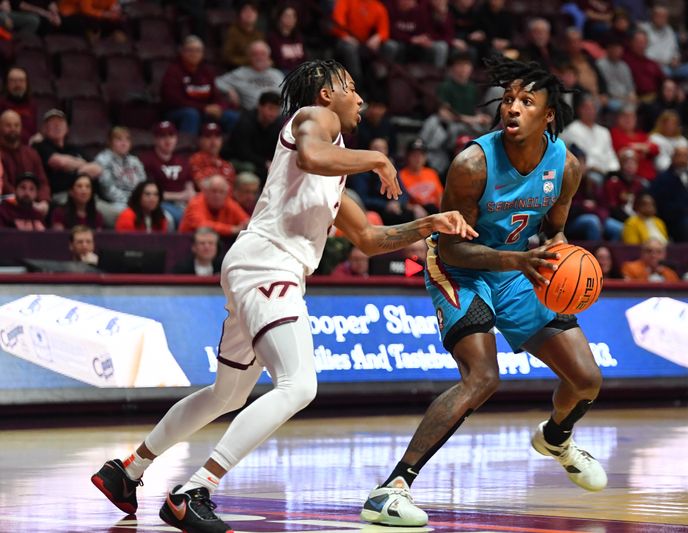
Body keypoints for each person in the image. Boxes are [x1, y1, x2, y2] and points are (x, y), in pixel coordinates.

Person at [91, 59, 475, 533]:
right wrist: (377, 157)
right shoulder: (315, 120)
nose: (359, 99)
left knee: (225, 394)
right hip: (269, 266)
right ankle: (196, 490)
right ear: (327, 94)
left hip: (255, 266)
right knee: (299, 385)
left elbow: (371, 240)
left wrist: (429, 224)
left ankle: (127, 471)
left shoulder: (330, 174)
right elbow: (315, 154)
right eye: (351, 89)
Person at [360, 57, 606, 527]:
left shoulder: (565, 167)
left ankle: (556, 437)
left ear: (548, 114)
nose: (513, 108)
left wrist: (560, 260)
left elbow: (555, 233)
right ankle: (390, 489)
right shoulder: (472, 164)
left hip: (517, 269)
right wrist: (519, 260)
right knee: (483, 377)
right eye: (509, 99)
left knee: (587, 380)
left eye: (526, 101)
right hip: (461, 268)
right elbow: (453, 249)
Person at [32, 108, 102, 203]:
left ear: (67, 128)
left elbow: (97, 169)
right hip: (61, 196)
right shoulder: (41, 146)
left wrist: (75, 170)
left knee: (120, 214)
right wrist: (83, 167)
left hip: (88, 197)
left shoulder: (73, 148)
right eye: (52, 123)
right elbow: (59, 162)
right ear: (44, 128)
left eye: (60, 122)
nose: (57, 126)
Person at [139, 121, 194, 226]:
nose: (168, 140)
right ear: (155, 139)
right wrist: (181, 196)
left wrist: (188, 197)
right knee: (178, 218)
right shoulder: (147, 160)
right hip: (159, 204)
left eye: (171, 135)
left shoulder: (183, 161)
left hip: (183, 204)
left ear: (176, 138)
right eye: (163, 136)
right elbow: (150, 193)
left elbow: (190, 189)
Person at [95, 126, 147, 226]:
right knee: (130, 217)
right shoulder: (102, 160)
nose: (124, 143)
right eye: (119, 139)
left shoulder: (135, 161)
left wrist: (140, 200)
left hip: (137, 202)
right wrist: (132, 202)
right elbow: (107, 190)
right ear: (110, 142)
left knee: (165, 218)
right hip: (115, 203)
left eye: (127, 139)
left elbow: (143, 185)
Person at [215, 40, 284, 111]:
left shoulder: (276, 73)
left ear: (268, 56)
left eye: (263, 54)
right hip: (257, 116)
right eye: (255, 54)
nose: (259, 57)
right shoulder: (240, 73)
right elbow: (216, 82)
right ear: (249, 57)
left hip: (283, 114)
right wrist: (229, 90)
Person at [179, 174, 250, 237]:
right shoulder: (195, 203)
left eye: (221, 192)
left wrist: (245, 225)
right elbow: (202, 226)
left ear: (226, 193)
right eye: (214, 191)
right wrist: (232, 230)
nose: (217, 195)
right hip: (190, 244)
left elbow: (246, 221)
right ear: (205, 191)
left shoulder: (228, 202)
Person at [189, 122, 237, 189]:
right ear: (199, 140)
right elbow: (202, 186)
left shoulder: (227, 165)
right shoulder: (195, 160)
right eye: (208, 136)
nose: (213, 141)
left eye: (217, 136)